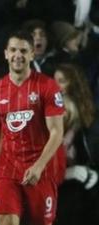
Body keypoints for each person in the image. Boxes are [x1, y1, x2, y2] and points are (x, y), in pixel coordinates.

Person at [0, 30, 65, 225]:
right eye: (13, 50)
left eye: (23, 50)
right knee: (7, 221)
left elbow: (57, 132)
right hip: (7, 170)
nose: (17, 55)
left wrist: (38, 166)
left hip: (40, 170)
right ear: (5, 53)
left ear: (31, 54)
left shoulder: (48, 87)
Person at [53, 63, 98, 225]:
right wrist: (70, 173)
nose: (55, 85)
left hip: (78, 192)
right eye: (54, 80)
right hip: (55, 190)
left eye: (62, 81)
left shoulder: (88, 122)